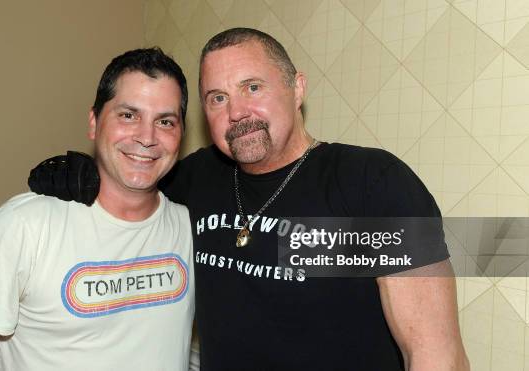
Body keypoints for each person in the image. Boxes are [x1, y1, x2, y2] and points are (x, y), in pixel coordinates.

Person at [29, 28, 469, 370]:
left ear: (297, 89)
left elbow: (434, 353)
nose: (236, 112)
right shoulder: (193, 179)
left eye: (252, 87)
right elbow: (131, 179)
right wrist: (84, 172)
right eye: (217, 97)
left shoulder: (371, 183)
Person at [0, 48, 194, 371]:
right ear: (94, 123)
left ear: (180, 134)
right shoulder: (22, 227)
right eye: (128, 115)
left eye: (165, 121)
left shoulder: (191, 228)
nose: (147, 137)